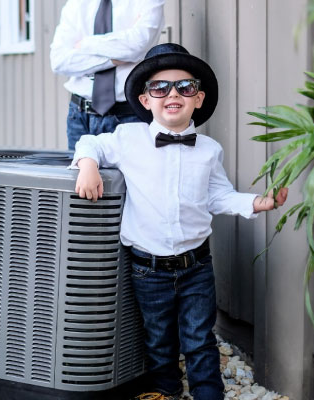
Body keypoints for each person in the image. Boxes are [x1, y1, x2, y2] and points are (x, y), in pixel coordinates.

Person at [71, 43, 288, 400]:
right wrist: (89, 165)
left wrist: (257, 202)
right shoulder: (128, 139)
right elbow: (90, 142)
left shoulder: (209, 150)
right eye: (160, 87)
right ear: (145, 100)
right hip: (147, 268)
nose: (173, 94)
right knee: (158, 338)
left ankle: (207, 394)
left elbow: (218, 196)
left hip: (196, 266)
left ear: (198, 99)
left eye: (184, 87)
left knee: (200, 338)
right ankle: (167, 390)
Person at [50, 0, 165, 150]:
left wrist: (85, 44)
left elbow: (138, 44)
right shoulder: (76, 4)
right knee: (80, 173)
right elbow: (59, 61)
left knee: (131, 174)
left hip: (129, 115)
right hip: (80, 117)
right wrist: (114, 59)